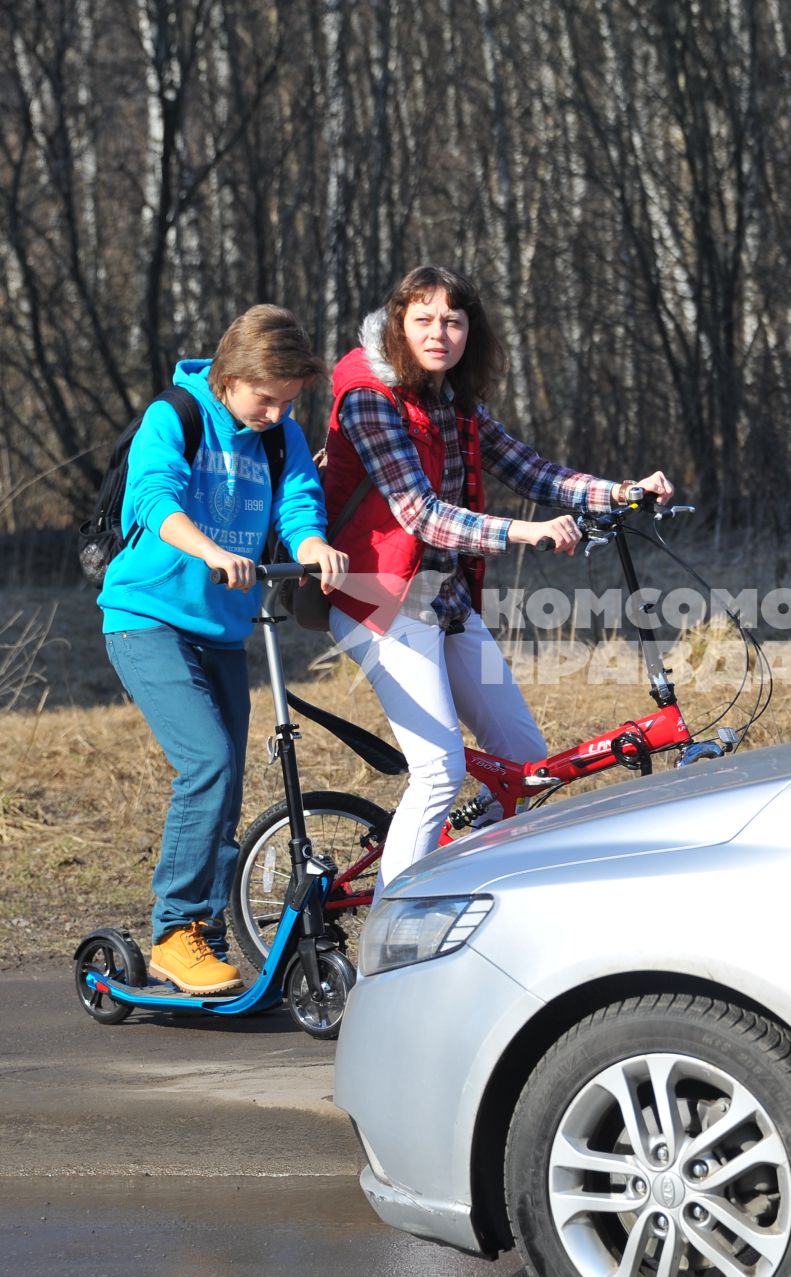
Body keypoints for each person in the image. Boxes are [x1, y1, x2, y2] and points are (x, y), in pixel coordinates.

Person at [322, 265, 673, 882]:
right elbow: (421, 516)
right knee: (438, 770)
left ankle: (460, 877)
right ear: (398, 326)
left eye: (453, 322)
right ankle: (392, 930)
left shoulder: (454, 400)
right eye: (424, 320)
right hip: (378, 604)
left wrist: (619, 493)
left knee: (524, 760)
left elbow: (532, 471)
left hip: (445, 603)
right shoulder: (368, 399)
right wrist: (523, 531)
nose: (439, 334)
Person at [98, 305, 349, 994]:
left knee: (228, 784)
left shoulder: (280, 437)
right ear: (229, 376)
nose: (275, 413)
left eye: (288, 401)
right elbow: (153, 498)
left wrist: (313, 546)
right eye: (265, 399)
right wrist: (208, 548)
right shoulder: (173, 416)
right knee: (205, 763)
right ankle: (175, 930)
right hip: (145, 618)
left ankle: (203, 934)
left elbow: (298, 504)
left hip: (221, 629)